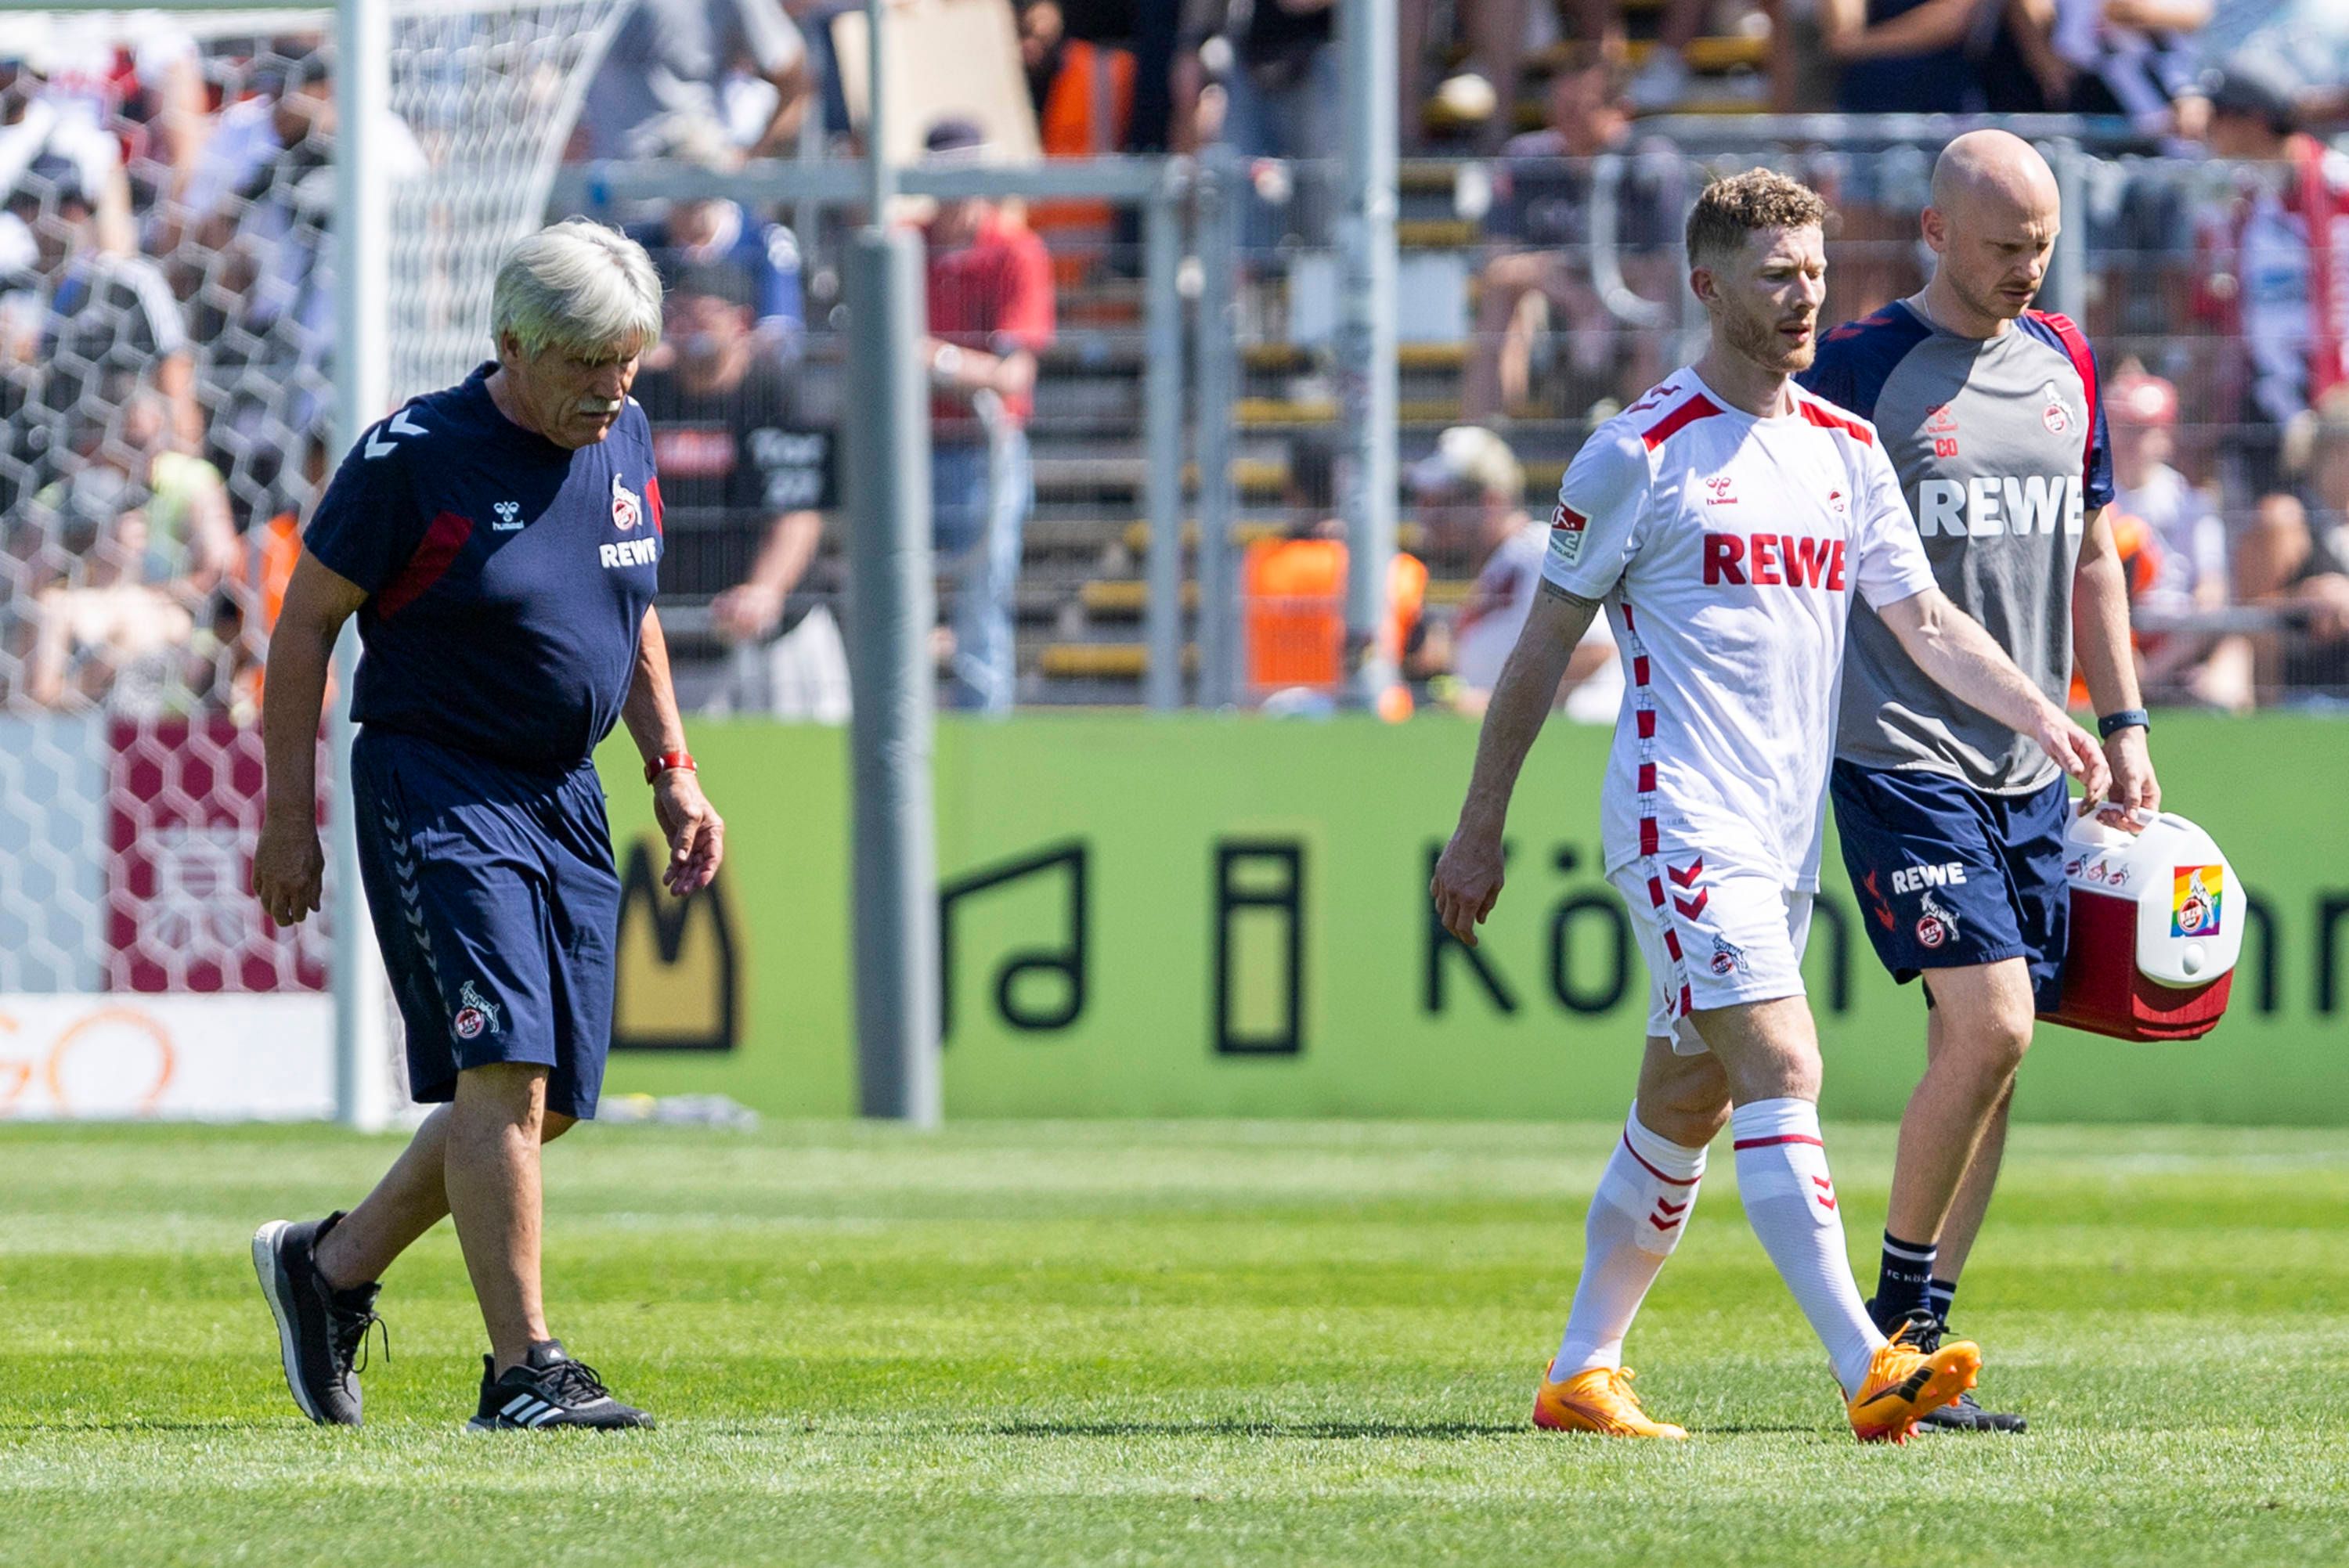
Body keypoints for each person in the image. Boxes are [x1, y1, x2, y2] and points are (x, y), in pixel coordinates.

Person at [1432, 168, 2108, 1444]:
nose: (1805, 297)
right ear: (1707, 287)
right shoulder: (1638, 452)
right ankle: (1871, 1362)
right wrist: (1482, 826)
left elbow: (1925, 622)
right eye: (1774, 275)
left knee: (1683, 1105)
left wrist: (2045, 713)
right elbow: (1536, 653)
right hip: (1679, 820)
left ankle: (1585, 1366)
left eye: (1813, 272)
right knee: (1785, 1063)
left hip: (1781, 839)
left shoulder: (1844, 453)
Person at [247, 218, 723, 1432]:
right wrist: (287, 816)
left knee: (544, 1097)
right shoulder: (416, 455)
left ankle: (332, 1264)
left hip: (569, 789)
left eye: (627, 363)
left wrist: (672, 765)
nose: (610, 390)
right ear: (513, 343)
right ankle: (524, 1367)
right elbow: (304, 629)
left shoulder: (626, 437)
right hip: (440, 779)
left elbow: (632, 603)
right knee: (502, 1062)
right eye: (584, 365)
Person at [1798, 130, 2158, 1432]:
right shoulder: (1856, 370)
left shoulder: (2064, 360)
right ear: (1937, 234)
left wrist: (2123, 720)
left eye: (2043, 244)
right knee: (1995, 1021)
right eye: (2003, 244)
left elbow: (2093, 555)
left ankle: (1924, 1343)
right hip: (1902, 756)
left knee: (1999, 1056)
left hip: (2036, 762)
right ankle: (1888, 1331)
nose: (2026, 267)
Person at [633, 261, 843, 719]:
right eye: (677, 316)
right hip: (676, 641)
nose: (687, 330)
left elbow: (800, 510)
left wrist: (764, 591)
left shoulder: (781, 395)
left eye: (701, 316)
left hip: (780, 635)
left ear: (741, 323)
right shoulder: (641, 399)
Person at [922, 119, 1054, 712]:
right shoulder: (902, 242)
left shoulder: (1016, 249)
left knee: (981, 606)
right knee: (899, 604)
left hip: (985, 449)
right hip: (911, 452)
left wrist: (936, 360)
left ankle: (983, 733)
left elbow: (1014, 375)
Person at [1461, 60, 1677, 422]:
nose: (1564, 119)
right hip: (1553, 303)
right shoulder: (1527, 159)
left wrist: (1598, 285)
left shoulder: (1651, 163)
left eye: (1579, 108)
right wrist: (1557, 280)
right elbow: (1495, 263)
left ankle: (1654, 433)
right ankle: (1486, 434)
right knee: (1501, 296)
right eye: (1558, 107)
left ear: (1620, 111)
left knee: (1651, 292)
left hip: (1625, 305)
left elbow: (1664, 263)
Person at [2189, 59, 2349, 505]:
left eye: (2219, 115)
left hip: (2338, 404)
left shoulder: (2340, 186)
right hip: (2265, 397)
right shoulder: (2240, 201)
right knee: (2268, 523)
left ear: (2255, 120)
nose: (2209, 129)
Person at [1407, 424, 1618, 719]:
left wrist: (1499, 706)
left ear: (1490, 502)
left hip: (1578, 742)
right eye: (1424, 503)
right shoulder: (1503, 566)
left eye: (1442, 504)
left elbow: (1595, 649)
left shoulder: (1539, 552)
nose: (1428, 518)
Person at [2105, 369, 2252, 708]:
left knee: (2234, 653)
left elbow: (2210, 591)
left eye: (2144, 430)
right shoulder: (2093, 498)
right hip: (2113, 631)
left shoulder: (2191, 502)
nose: (2132, 442)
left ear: (2165, 435)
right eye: (2124, 428)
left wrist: (2160, 664)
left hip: (2177, 639)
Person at [2236, 384, 2349, 701]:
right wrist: (2305, 599)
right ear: (2337, 452)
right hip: (2306, 704)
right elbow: (2249, 618)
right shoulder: (2285, 518)